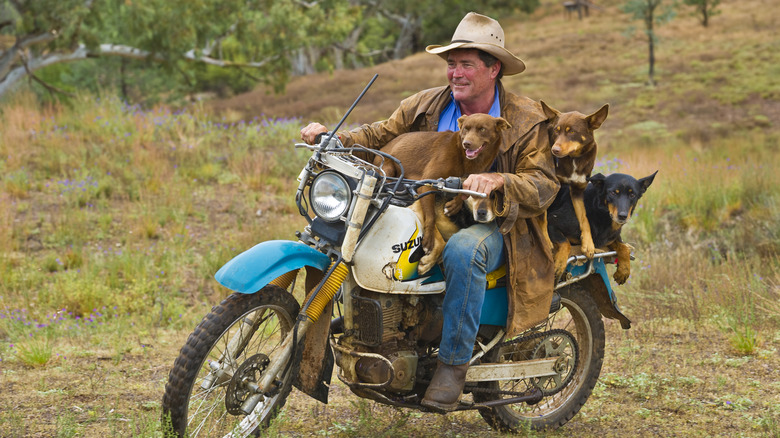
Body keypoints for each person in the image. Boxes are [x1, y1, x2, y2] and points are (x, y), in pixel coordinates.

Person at [300, 12, 559, 412]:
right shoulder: (426, 104)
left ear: (493, 68)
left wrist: (500, 182)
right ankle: (374, 332)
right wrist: (335, 137)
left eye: (466, 64)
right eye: (451, 64)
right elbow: (381, 135)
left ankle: (452, 367)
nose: (455, 73)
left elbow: (544, 183)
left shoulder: (525, 121)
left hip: (500, 224)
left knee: (462, 252)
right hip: (424, 207)